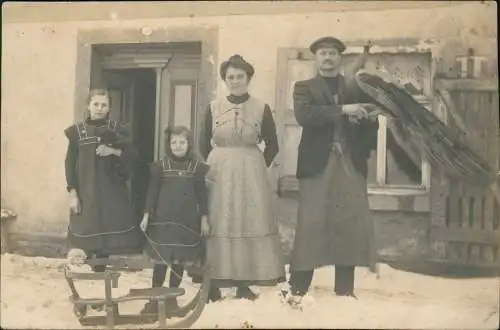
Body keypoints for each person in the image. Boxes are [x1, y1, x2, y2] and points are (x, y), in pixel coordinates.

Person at [282, 37, 380, 306]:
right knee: (311, 224)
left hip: (350, 162)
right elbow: (306, 116)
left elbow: (369, 125)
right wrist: (344, 109)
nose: (328, 58)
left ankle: (344, 292)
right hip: (317, 164)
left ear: (340, 59)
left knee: (348, 222)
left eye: (333, 53)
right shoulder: (303, 87)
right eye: (323, 53)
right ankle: (298, 289)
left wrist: (368, 118)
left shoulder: (354, 87)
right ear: (316, 58)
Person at [201, 54, 286, 302]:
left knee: (247, 220)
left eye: (240, 76)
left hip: (251, 171)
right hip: (219, 170)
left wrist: (257, 166)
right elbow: (201, 141)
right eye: (230, 77)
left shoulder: (261, 107)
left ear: (248, 78)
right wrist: (213, 165)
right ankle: (214, 280)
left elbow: (273, 144)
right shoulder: (213, 107)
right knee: (220, 220)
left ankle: (244, 282)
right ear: (225, 80)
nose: (235, 81)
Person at [64, 89, 143, 270]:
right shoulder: (77, 132)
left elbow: (133, 156)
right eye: (96, 104)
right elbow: (69, 164)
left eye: (104, 105)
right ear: (88, 106)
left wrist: (113, 151)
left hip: (111, 191)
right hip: (86, 191)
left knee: (107, 235)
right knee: (86, 230)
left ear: (109, 108)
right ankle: (87, 274)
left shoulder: (117, 129)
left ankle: (100, 271)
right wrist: (73, 193)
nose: (99, 109)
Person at [139, 125, 210, 316]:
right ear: (168, 145)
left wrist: (204, 218)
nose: (178, 146)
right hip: (163, 221)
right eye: (174, 142)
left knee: (179, 260)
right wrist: (146, 215)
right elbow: (152, 192)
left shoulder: (196, 168)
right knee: (161, 261)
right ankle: (154, 301)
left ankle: (171, 301)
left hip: (186, 222)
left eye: (182, 142)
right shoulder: (160, 166)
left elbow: (202, 195)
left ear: (189, 144)